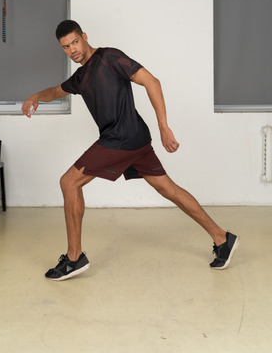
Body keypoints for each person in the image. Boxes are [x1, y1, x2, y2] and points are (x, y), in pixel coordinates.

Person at [22, 19, 239, 281]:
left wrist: (164, 127)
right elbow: (56, 91)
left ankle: (74, 257)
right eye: (66, 47)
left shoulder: (109, 57)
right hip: (135, 139)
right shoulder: (81, 77)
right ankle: (222, 238)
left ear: (85, 36)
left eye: (75, 42)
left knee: (69, 183)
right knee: (167, 188)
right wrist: (36, 96)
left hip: (121, 139)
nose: (72, 50)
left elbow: (152, 82)